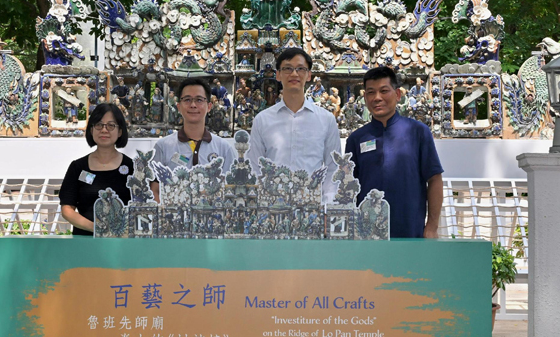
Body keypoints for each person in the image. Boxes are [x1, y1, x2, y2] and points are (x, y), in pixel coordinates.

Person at [345, 66, 444, 238]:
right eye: (371, 92)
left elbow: (434, 179)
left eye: (384, 91)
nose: (377, 98)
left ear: (397, 94)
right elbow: (349, 188)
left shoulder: (417, 132)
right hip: (367, 233)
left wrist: (432, 226)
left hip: (410, 230)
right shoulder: (356, 139)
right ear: (365, 98)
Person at [247, 48, 340, 185]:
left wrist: (324, 202)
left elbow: (333, 168)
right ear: (278, 75)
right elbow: (255, 167)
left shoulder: (326, 119)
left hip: (312, 202)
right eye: (288, 69)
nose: (294, 74)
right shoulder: (262, 120)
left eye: (301, 69)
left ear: (309, 75)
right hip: (273, 202)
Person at [150, 79, 238, 200]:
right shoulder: (163, 146)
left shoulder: (224, 148)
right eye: (187, 99)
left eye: (199, 100)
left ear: (209, 106)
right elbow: (155, 190)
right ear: (178, 107)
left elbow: (232, 189)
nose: (193, 105)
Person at [58, 103, 134, 236]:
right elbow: (67, 209)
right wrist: (97, 229)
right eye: (99, 125)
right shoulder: (77, 167)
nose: (104, 130)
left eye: (111, 125)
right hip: (85, 243)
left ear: (120, 131)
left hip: (122, 243)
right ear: (91, 130)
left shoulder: (133, 167)